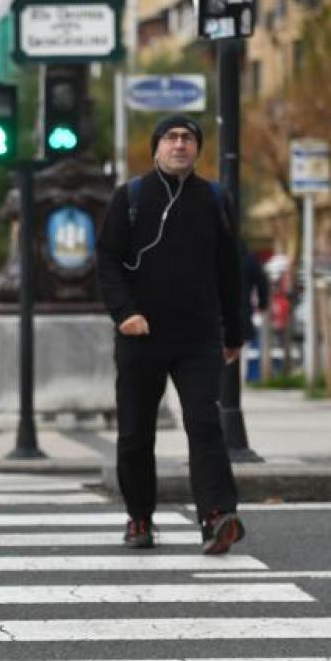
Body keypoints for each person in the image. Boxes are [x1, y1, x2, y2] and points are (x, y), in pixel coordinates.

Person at [95, 114, 246, 555]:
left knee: (204, 424)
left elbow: (229, 270)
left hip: (198, 337)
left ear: (197, 149)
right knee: (136, 432)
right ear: (156, 147)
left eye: (188, 139)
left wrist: (233, 331)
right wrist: (124, 313)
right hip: (141, 336)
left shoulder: (215, 198)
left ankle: (217, 516)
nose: (180, 145)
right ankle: (139, 517)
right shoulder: (131, 198)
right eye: (171, 138)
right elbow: (106, 262)